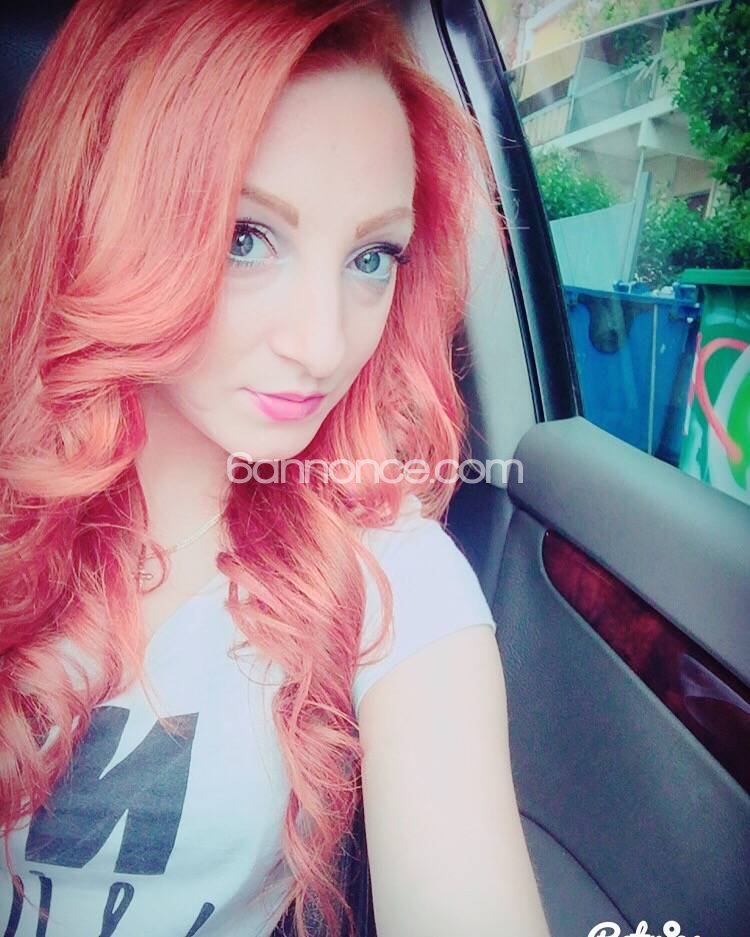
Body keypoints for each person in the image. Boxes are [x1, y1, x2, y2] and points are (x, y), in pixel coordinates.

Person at [0, 1, 552, 935]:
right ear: (98, 216)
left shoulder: (392, 572)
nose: (323, 343)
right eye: (244, 237)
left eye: (371, 256)